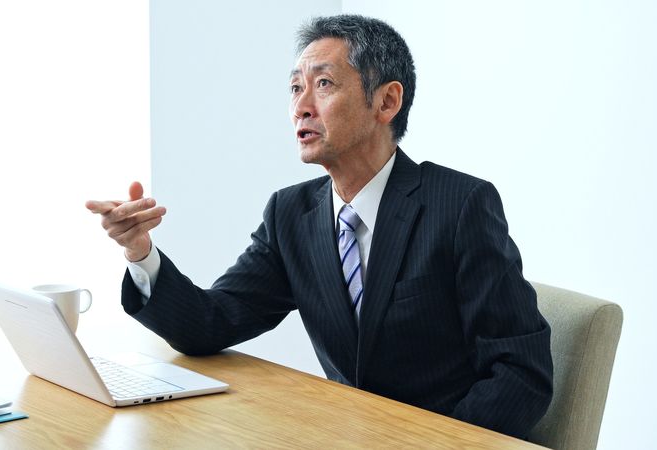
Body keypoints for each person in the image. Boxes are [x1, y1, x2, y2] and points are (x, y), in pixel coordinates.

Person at [86, 14, 552, 439]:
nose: (301, 107)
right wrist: (140, 252)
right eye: (295, 88)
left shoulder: (460, 205)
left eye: (323, 84)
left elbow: (521, 373)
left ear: (386, 101)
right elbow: (209, 325)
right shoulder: (291, 214)